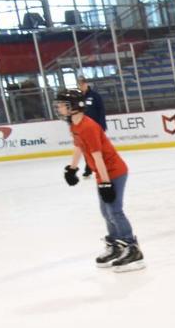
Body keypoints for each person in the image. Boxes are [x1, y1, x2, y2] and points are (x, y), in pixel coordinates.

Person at [57, 88, 144, 272]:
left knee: (114, 210)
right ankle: (116, 245)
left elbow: (98, 157)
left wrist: (105, 183)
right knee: (105, 211)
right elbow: (79, 147)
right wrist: (72, 168)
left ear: (73, 107)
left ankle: (132, 248)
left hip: (114, 171)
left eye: (62, 104)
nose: (59, 108)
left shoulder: (88, 127)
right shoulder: (74, 125)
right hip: (102, 173)